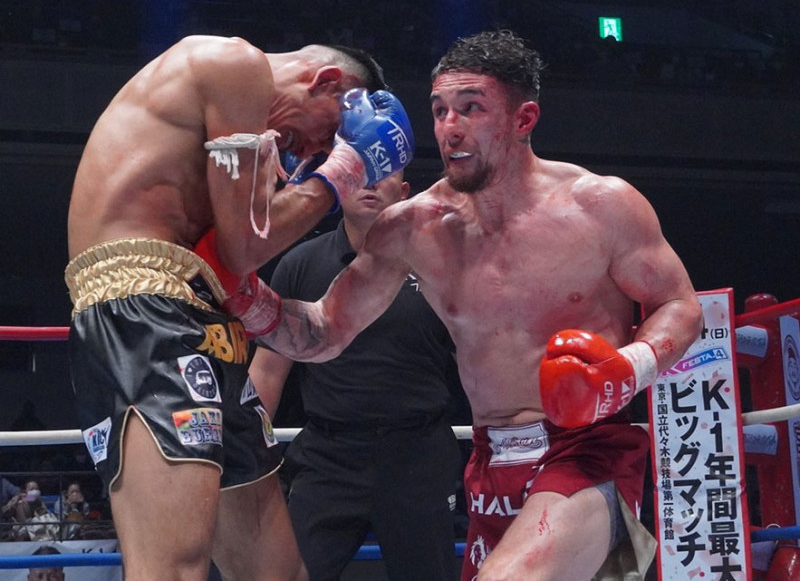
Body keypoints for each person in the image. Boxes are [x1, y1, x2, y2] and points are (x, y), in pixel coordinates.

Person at [221, 30, 703, 580]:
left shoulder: (601, 206)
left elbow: (679, 305)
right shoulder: (414, 227)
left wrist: (628, 367)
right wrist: (245, 296)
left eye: (471, 108)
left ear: (523, 120)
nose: (450, 128)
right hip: (490, 462)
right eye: (439, 110)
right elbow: (324, 331)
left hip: (588, 450)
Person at [65, 34, 413, 581]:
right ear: (326, 83)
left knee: (276, 573)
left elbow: (234, 260)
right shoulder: (236, 65)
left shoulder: (248, 136)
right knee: (173, 567)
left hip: (204, 317)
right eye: (326, 136)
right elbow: (247, 246)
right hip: (144, 309)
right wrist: (344, 169)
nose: (310, 154)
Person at [251, 169, 462, 580]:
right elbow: (269, 372)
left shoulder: (438, 264)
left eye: (384, 173)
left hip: (418, 455)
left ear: (404, 191)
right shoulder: (301, 264)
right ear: (340, 188)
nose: (370, 182)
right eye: (362, 171)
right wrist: (249, 457)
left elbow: (474, 357)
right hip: (328, 457)